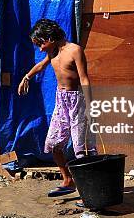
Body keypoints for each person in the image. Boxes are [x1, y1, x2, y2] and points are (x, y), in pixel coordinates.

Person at [18, 18, 96, 197]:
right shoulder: (52, 52)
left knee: (81, 150)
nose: (40, 49)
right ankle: (68, 181)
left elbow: (84, 78)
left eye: (40, 44)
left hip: (78, 101)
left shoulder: (75, 50)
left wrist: (91, 106)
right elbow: (41, 65)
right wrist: (27, 77)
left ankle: (89, 191)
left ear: (49, 38)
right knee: (54, 144)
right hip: (61, 100)